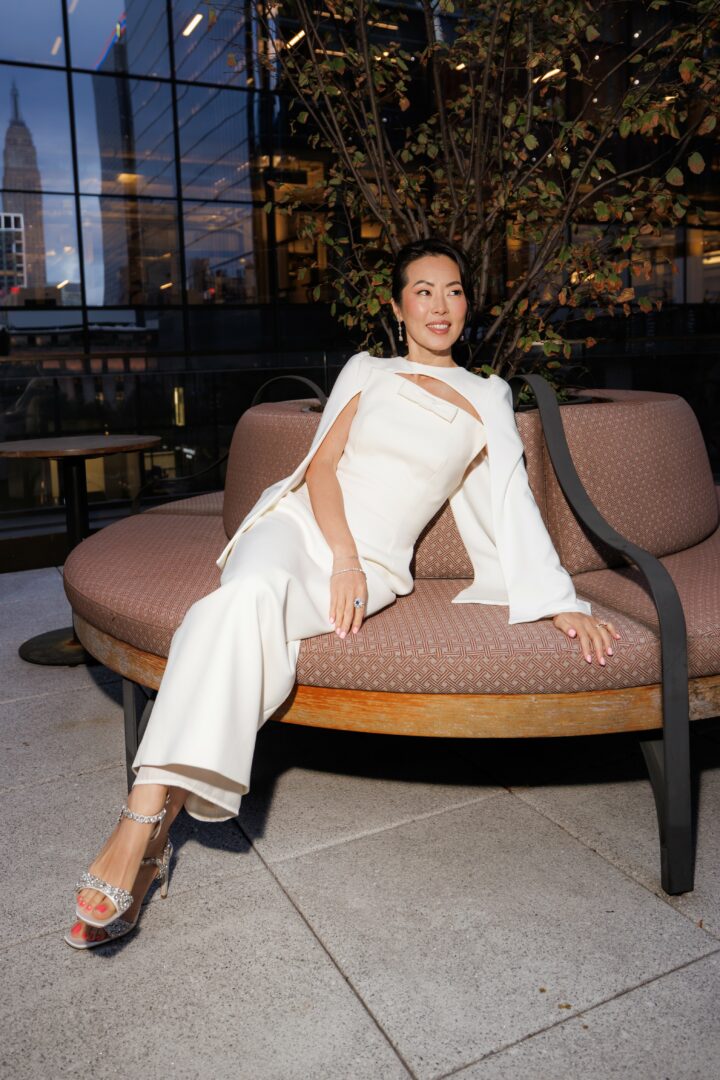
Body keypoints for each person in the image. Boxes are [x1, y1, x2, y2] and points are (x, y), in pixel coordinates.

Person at [65, 238, 620, 949]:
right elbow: (321, 466)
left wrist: (560, 599)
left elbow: (512, 499)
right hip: (299, 525)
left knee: (239, 611)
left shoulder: (488, 396)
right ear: (398, 306)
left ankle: (143, 833)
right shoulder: (369, 370)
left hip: (380, 564)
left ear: (467, 304)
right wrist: (342, 559)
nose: (440, 306)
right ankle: (139, 827)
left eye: (453, 291)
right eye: (423, 291)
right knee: (252, 590)